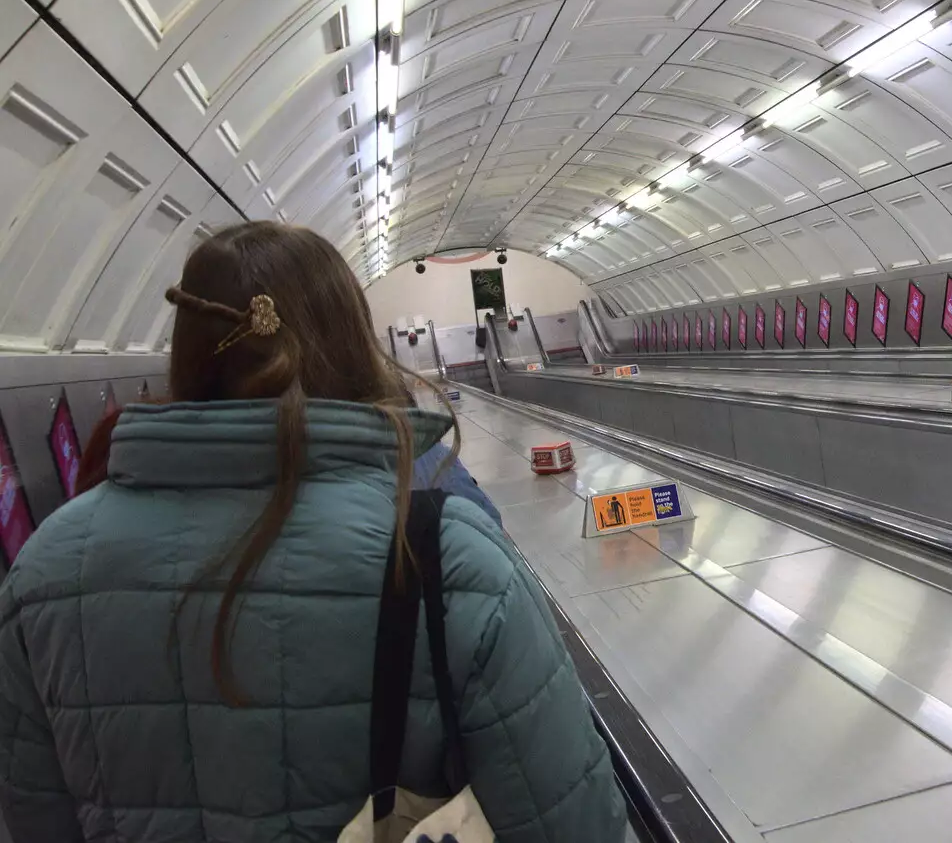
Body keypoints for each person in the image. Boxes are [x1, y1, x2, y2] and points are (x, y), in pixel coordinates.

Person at [0, 221, 625, 842]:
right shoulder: (444, 555)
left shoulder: (43, 572)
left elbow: (35, 818)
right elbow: (575, 821)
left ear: (184, 350)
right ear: (353, 341)